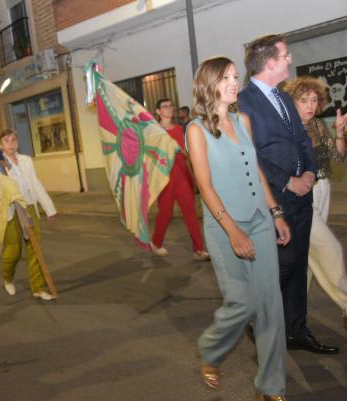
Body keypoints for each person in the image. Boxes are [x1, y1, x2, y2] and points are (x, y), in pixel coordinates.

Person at [188, 56, 291, 401]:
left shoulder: (243, 120)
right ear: (210, 84)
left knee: (270, 305)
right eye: (227, 77)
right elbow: (205, 186)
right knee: (242, 302)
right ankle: (211, 350)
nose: (235, 82)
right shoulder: (195, 130)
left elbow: (257, 172)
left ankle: (270, 386)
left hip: (260, 220)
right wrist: (233, 232)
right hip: (224, 228)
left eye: (236, 76)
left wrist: (275, 212)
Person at [238, 34, 338, 354]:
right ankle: (267, 331)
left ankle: (297, 330)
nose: (290, 60)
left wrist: (308, 171)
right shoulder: (244, 102)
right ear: (270, 62)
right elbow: (249, 154)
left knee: (297, 267)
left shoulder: (283, 98)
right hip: (273, 199)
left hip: (302, 196)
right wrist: (286, 181)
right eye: (285, 55)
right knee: (279, 268)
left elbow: (303, 142)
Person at [285, 76, 347, 330]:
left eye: (313, 100)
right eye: (303, 100)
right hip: (302, 195)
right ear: (292, 102)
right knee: (330, 249)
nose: (310, 105)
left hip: (323, 189)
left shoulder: (319, 126)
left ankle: (291, 318)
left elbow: (338, 158)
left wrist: (340, 132)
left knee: (308, 258)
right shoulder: (286, 130)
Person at [0, 128, 56, 301]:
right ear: (1, 144)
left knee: (35, 249)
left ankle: (37, 288)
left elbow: (35, 184)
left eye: (14, 140)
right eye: (7, 140)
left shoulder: (26, 160)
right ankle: (8, 278)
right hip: (12, 210)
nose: (11, 144)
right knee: (13, 251)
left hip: (29, 207)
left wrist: (49, 208)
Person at [150, 98, 210, 261]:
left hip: (182, 176)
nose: (169, 108)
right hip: (165, 178)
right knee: (166, 213)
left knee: (190, 212)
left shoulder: (179, 129)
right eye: (164, 106)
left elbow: (186, 153)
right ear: (158, 112)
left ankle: (198, 249)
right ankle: (156, 242)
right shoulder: (154, 131)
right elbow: (150, 155)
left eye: (170, 105)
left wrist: (183, 154)